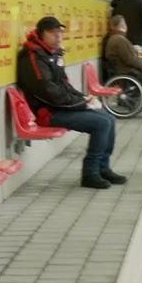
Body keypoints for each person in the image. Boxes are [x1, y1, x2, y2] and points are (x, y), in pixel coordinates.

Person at [16, 17, 123, 190]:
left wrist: (83, 98)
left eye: (60, 33)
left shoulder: (52, 54)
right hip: (46, 113)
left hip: (60, 108)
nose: (58, 37)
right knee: (101, 123)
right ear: (41, 34)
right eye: (53, 33)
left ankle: (103, 168)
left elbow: (64, 85)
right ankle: (90, 173)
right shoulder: (32, 56)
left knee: (109, 118)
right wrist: (80, 103)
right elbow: (47, 91)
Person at [100, 14, 142, 119]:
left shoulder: (114, 38)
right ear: (122, 25)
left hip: (121, 70)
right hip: (126, 72)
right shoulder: (119, 39)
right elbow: (130, 59)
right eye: (124, 23)